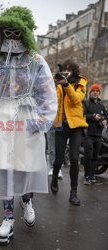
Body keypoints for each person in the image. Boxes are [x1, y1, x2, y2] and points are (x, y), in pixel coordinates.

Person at [0, 6, 57, 246]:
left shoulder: (36, 61)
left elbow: (47, 93)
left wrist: (42, 119)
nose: (11, 38)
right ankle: (8, 217)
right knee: (4, 167)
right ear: (0, 34)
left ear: (25, 33)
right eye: (6, 33)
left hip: (26, 118)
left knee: (25, 165)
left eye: (16, 33)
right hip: (1, 117)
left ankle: (27, 200)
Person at [50, 60, 88, 206]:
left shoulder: (81, 82)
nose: (66, 71)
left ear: (74, 70)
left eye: (69, 69)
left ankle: (73, 193)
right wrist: (53, 84)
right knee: (59, 159)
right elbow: (52, 100)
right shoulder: (58, 83)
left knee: (74, 158)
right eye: (64, 69)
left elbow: (76, 99)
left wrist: (65, 84)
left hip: (76, 126)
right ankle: (54, 177)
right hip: (60, 125)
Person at [83, 83, 107, 185]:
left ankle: (92, 176)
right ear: (90, 92)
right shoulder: (86, 103)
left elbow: (105, 117)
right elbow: (82, 116)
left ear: (99, 93)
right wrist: (93, 117)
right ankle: (87, 176)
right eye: (93, 91)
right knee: (88, 155)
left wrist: (104, 121)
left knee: (95, 156)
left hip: (98, 135)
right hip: (88, 134)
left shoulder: (101, 106)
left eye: (97, 91)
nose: (95, 92)